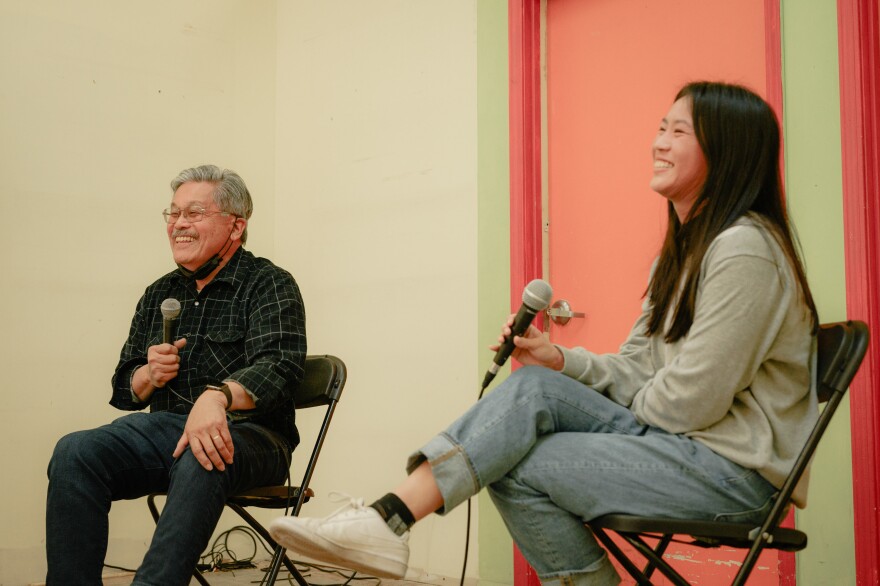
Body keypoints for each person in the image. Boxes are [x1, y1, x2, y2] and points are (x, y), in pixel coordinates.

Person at [268, 81, 819, 585]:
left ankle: (386, 520)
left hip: (734, 478)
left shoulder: (744, 249)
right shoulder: (681, 257)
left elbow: (688, 403)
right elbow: (637, 370)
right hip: (684, 452)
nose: (658, 143)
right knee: (507, 451)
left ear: (726, 152)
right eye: (660, 128)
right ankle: (386, 521)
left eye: (679, 132)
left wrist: (593, 404)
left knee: (517, 425)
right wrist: (561, 362)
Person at [46, 164, 307, 585]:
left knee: (202, 451)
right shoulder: (158, 294)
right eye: (173, 213)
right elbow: (125, 386)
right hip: (168, 432)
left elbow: (280, 365)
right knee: (75, 452)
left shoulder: (269, 284)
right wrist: (147, 374)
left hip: (257, 438)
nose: (179, 224)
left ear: (235, 226)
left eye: (194, 212)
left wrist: (217, 397)